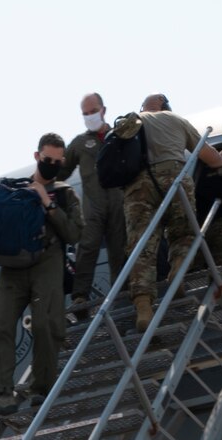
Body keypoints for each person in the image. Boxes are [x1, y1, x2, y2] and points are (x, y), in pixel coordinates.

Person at [0, 133, 82, 418]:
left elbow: (75, 233)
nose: (51, 164)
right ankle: (3, 394)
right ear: (36, 156)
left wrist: (48, 204)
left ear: (63, 161)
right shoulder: (10, 190)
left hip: (47, 264)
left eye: (56, 161)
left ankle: (41, 387)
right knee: (0, 327)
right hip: (12, 268)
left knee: (45, 325)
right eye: (46, 159)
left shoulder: (64, 193)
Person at [122, 94, 222, 332]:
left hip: (137, 187)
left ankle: (144, 308)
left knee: (141, 246)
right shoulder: (174, 119)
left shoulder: (131, 122)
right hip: (174, 178)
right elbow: (209, 157)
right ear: (164, 105)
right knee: (183, 230)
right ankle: (177, 272)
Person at [64, 93, 128, 315]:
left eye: (93, 111)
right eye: (85, 113)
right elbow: (60, 171)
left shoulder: (120, 135)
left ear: (103, 110)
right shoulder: (81, 143)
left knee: (119, 250)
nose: (90, 116)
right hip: (93, 206)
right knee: (87, 248)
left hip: (120, 202)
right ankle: (80, 297)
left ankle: (122, 295)